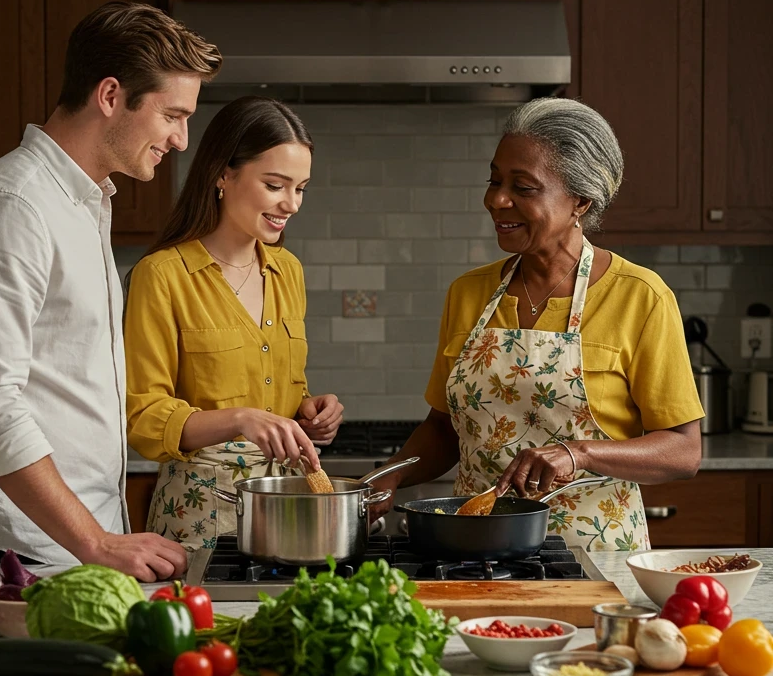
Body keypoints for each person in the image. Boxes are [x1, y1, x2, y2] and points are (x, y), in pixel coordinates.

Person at [0, 1, 221, 580]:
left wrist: (102, 540)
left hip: (79, 547)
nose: (182, 140)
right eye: (172, 115)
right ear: (111, 96)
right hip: (21, 558)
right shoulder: (9, 207)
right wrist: (95, 541)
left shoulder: (83, 206)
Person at [373, 97, 704, 552]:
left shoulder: (639, 296)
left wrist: (579, 452)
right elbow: (443, 429)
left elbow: (684, 451)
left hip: (592, 553)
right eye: (494, 180)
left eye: (523, 187)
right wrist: (388, 476)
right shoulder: (468, 293)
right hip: (474, 548)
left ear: (580, 201)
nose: (496, 199)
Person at [125, 95, 343, 553]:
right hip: (197, 513)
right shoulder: (163, 275)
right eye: (275, 185)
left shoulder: (289, 271)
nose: (291, 203)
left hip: (283, 508)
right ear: (223, 174)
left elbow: (279, 391)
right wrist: (240, 420)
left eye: (301, 188)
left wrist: (306, 412)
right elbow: (143, 417)